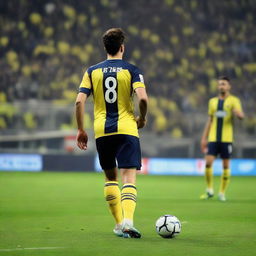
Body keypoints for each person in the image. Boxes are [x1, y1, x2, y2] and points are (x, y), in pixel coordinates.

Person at [75, 28, 148, 238]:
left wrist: (81, 129)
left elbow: (79, 101)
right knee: (129, 178)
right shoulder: (132, 70)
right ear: (122, 47)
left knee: (110, 179)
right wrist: (142, 118)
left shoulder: (91, 71)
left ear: (105, 48)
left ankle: (118, 224)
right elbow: (143, 99)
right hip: (127, 129)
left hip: (102, 131)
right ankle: (128, 221)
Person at [200, 76, 244, 201]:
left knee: (226, 166)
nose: (221, 86)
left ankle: (222, 193)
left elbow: (241, 116)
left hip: (226, 139)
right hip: (213, 138)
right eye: (219, 84)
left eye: (223, 84)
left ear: (229, 86)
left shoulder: (234, 100)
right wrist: (204, 138)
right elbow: (210, 120)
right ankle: (209, 190)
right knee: (208, 163)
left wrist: (238, 114)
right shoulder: (212, 102)